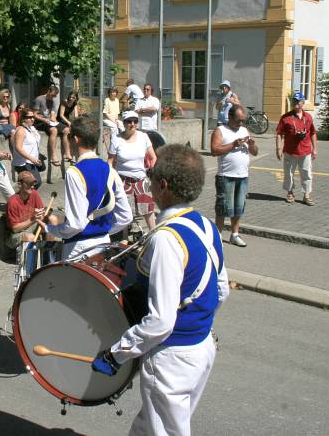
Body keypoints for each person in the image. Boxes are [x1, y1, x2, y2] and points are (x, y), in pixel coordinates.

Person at [92, 143, 230, 436]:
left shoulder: (167, 239)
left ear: (163, 186)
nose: (148, 180)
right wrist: (196, 323)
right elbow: (221, 290)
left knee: (163, 431)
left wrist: (116, 353)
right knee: (147, 429)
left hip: (172, 360)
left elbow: (160, 322)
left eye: (151, 175)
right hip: (201, 349)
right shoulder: (206, 226)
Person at [36, 117, 132, 261]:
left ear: (75, 139)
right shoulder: (110, 170)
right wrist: (102, 231)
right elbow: (126, 216)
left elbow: (76, 224)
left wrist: (50, 229)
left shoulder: (74, 172)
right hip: (104, 244)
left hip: (78, 248)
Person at [211, 104, 258, 247]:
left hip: (243, 175)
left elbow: (255, 152)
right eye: (238, 120)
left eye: (243, 120)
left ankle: (235, 234)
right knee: (223, 207)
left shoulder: (244, 130)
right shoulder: (220, 130)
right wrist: (233, 144)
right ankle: (218, 235)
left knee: (239, 207)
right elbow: (214, 150)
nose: (241, 123)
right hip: (226, 175)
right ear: (230, 117)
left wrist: (252, 145)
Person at [108, 111, 157, 231]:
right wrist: (110, 180)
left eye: (135, 121)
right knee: (125, 213)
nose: (132, 124)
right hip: (123, 181)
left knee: (148, 210)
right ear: (124, 123)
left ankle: (154, 233)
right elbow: (110, 162)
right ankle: (123, 239)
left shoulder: (143, 136)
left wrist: (151, 170)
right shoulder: (116, 139)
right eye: (129, 121)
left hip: (141, 179)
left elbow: (153, 157)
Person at [276, 92, 317, 205]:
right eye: (294, 101)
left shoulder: (308, 117)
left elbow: (313, 133)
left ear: (303, 103)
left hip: (305, 151)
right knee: (289, 173)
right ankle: (290, 192)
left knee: (306, 173)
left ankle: (306, 195)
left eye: (298, 102)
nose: (296, 104)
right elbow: (279, 133)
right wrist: (278, 148)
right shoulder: (286, 118)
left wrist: (315, 149)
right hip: (290, 151)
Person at [6, 171, 58, 249]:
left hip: (32, 225)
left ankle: (49, 251)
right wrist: (33, 219)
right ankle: (32, 258)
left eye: (33, 184)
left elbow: (41, 214)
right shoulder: (12, 202)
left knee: (53, 219)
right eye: (29, 184)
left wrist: (42, 215)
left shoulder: (34, 193)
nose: (32, 186)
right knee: (30, 237)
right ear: (20, 185)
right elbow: (15, 229)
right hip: (18, 233)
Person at [12, 108, 43, 188]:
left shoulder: (31, 128)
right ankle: (22, 199)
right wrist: (31, 158)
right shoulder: (21, 130)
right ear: (23, 118)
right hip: (23, 162)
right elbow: (18, 147)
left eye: (33, 117)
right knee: (35, 183)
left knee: (31, 184)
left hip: (32, 161)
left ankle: (26, 199)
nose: (32, 119)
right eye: (29, 117)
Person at [33, 85, 63, 166]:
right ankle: (53, 156)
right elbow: (34, 115)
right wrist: (44, 119)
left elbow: (52, 115)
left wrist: (55, 121)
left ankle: (67, 154)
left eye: (55, 96)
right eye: (52, 95)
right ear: (49, 91)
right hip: (39, 122)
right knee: (54, 130)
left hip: (49, 121)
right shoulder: (39, 99)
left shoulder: (52, 102)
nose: (53, 97)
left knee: (66, 129)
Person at [57, 91, 79, 163]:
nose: (71, 98)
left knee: (75, 135)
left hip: (68, 121)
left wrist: (77, 122)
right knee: (67, 131)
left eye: (73, 97)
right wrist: (68, 122)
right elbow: (61, 115)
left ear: (76, 98)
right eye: (70, 97)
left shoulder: (75, 103)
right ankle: (66, 153)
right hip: (60, 121)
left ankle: (73, 156)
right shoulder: (64, 102)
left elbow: (76, 115)